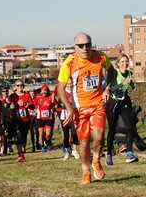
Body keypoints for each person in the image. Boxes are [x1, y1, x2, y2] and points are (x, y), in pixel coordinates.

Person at [57, 32, 114, 184]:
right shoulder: (69, 62)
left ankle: (96, 159)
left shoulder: (100, 57)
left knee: (99, 135)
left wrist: (107, 88)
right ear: (75, 47)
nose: (85, 48)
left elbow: (112, 71)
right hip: (79, 107)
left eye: (88, 45)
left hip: (97, 104)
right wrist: (69, 109)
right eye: (81, 46)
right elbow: (60, 88)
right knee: (84, 142)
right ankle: (86, 170)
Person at [106, 53, 138, 165]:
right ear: (118, 64)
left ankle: (129, 153)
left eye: (126, 61)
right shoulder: (114, 73)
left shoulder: (130, 73)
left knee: (129, 127)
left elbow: (131, 85)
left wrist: (133, 86)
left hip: (124, 102)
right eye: (122, 62)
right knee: (112, 130)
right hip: (113, 103)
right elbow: (110, 89)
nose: (125, 63)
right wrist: (121, 84)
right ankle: (109, 154)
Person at [9, 79, 34, 162]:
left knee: (24, 137)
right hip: (16, 119)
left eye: (21, 85)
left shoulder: (27, 95)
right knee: (18, 136)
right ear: (15, 87)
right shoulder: (13, 96)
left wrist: (26, 105)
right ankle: (20, 154)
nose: (20, 87)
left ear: (23, 86)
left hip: (25, 119)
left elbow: (32, 106)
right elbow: (7, 104)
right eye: (18, 85)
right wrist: (10, 105)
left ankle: (22, 153)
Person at [55, 81, 80, 160]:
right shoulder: (63, 93)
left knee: (74, 133)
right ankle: (67, 151)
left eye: (71, 84)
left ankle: (75, 150)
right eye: (68, 84)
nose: (69, 85)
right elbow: (59, 103)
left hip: (74, 115)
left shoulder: (76, 92)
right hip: (64, 115)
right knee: (66, 135)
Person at [33, 84, 55, 153]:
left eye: (45, 91)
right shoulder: (38, 97)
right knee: (41, 133)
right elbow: (33, 105)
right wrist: (34, 111)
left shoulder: (51, 97)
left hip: (48, 118)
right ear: (41, 91)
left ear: (48, 91)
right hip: (40, 118)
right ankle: (42, 146)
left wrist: (54, 109)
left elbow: (55, 105)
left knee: (48, 134)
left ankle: (46, 141)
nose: (44, 92)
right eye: (43, 91)